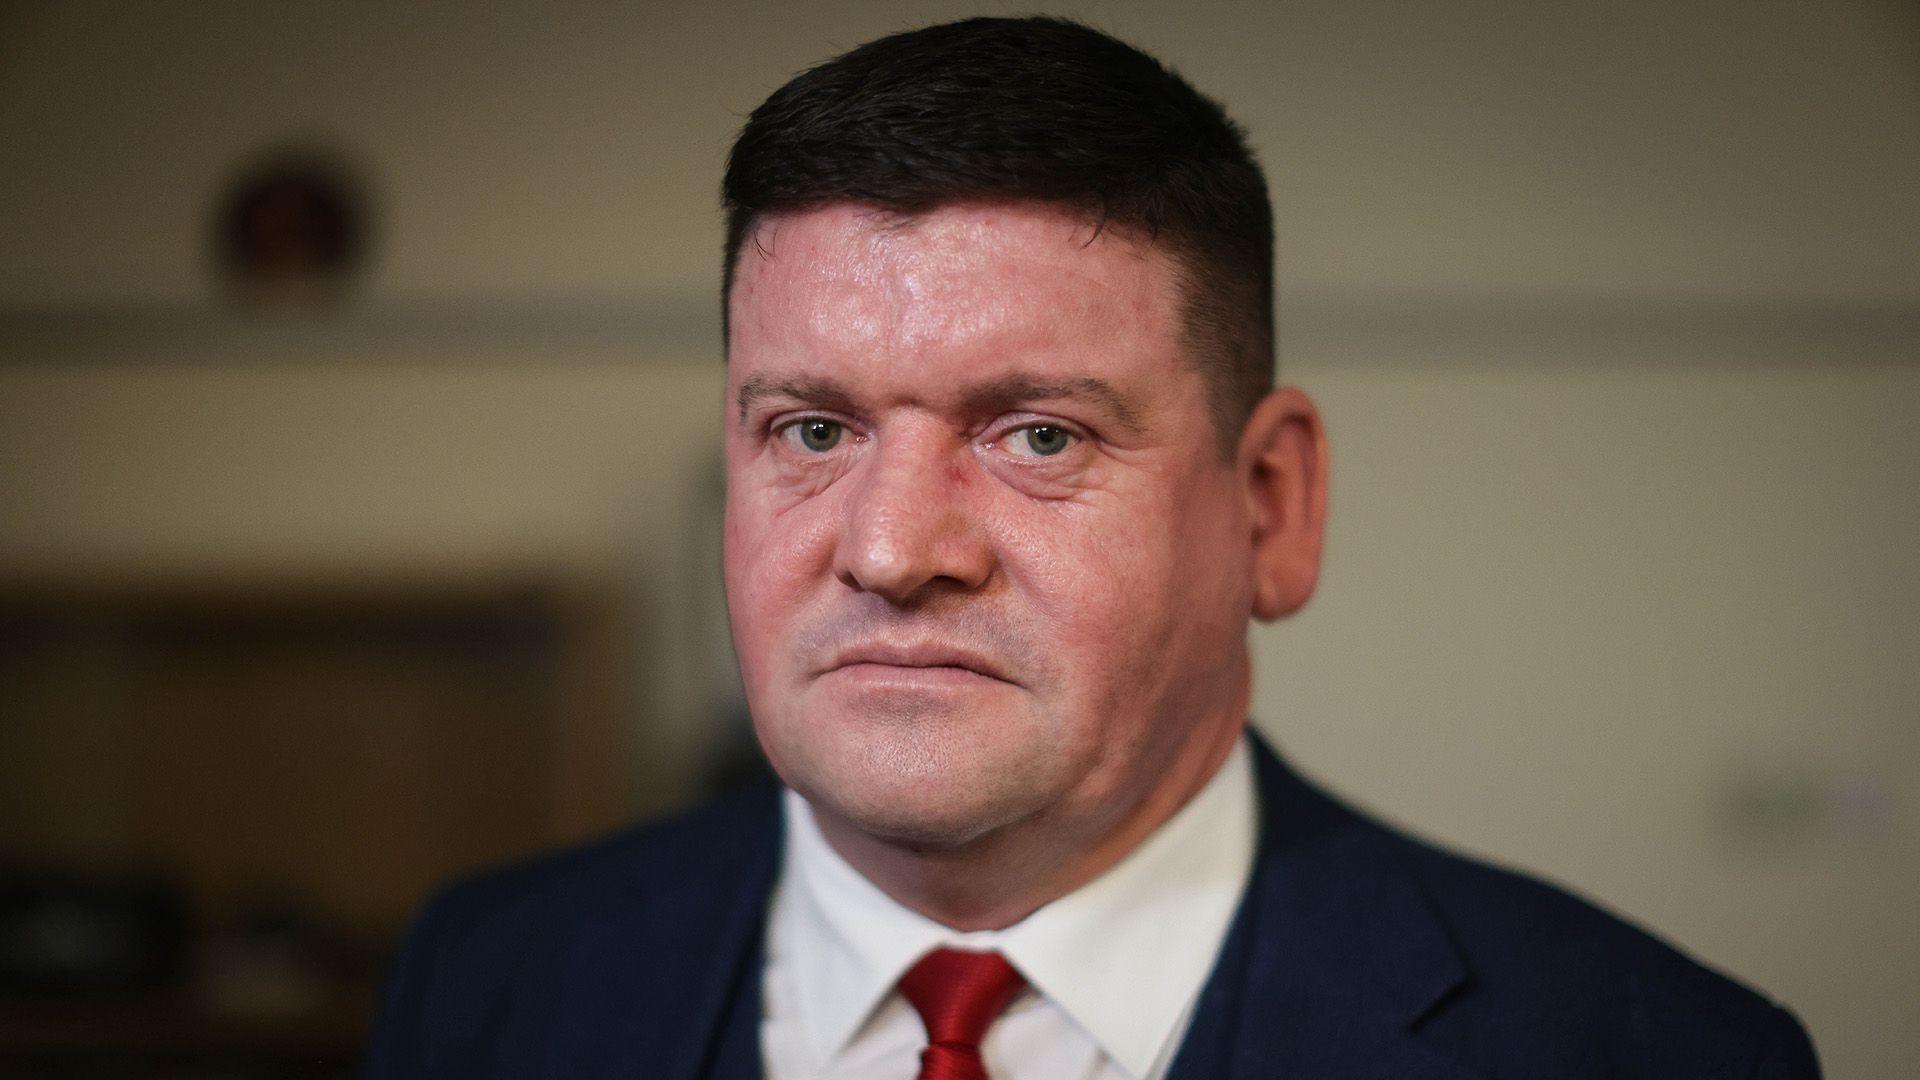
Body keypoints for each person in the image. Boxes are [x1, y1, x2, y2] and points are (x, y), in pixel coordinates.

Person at [364, 17, 1819, 1079]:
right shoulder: (485, 985)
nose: (890, 549)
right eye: (811, 431)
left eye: (1038, 436)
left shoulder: (1641, 1052)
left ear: (1271, 507)